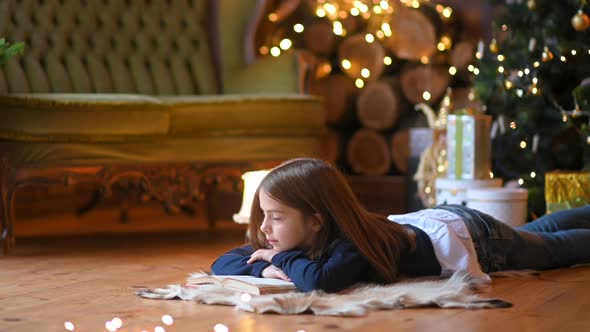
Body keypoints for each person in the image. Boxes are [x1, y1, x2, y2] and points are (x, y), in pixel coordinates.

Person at [211, 158, 590, 293]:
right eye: (264, 216)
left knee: (548, 251)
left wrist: (282, 261)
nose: (264, 230)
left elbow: (320, 281)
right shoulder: (285, 238)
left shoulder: (351, 244)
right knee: (538, 230)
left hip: (472, 236)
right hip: (435, 221)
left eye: (275, 218)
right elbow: (223, 264)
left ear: (315, 221)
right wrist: (267, 263)